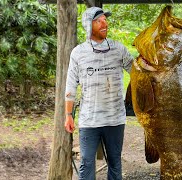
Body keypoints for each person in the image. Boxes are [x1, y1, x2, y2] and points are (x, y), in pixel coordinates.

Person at [64, 7, 134, 180]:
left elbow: (137, 72)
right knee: (87, 163)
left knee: (115, 163)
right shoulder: (78, 53)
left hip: (115, 118)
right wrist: (68, 115)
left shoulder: (119, 49)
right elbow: (71, 86)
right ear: (89, 25)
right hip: (90, 120)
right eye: (99, 21)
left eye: (105, 20)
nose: (105, 24)